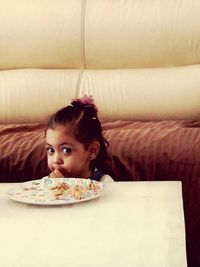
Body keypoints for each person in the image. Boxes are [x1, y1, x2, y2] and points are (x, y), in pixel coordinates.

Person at [45, 95, 114, 183]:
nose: (56, 160)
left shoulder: (104, 183)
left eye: (66, 150)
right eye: (51, 150)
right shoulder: (47, 183)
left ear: (92, 151)